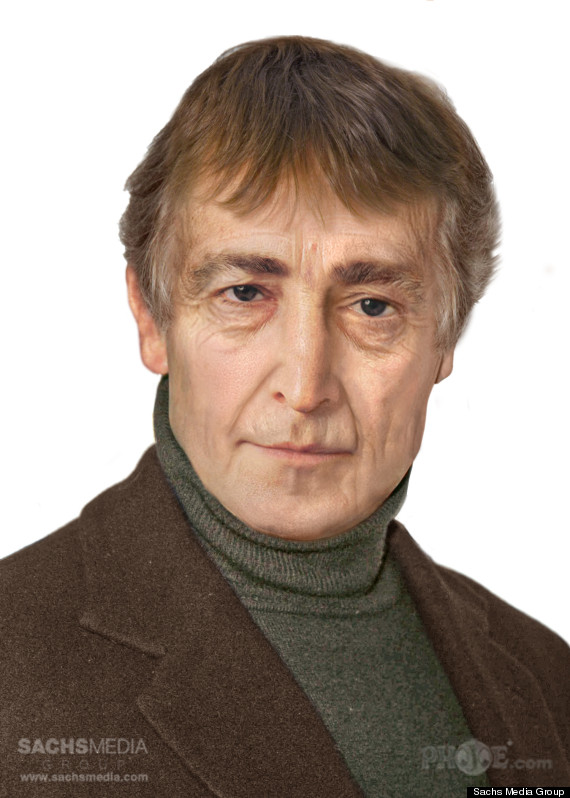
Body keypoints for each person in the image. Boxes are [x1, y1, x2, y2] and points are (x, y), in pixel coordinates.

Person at [1, 36, 568, 796]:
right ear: (152, 316)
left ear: (446, 336)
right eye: (245, 293)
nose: (305, 387)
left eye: (373, 306)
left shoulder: (548, 678)